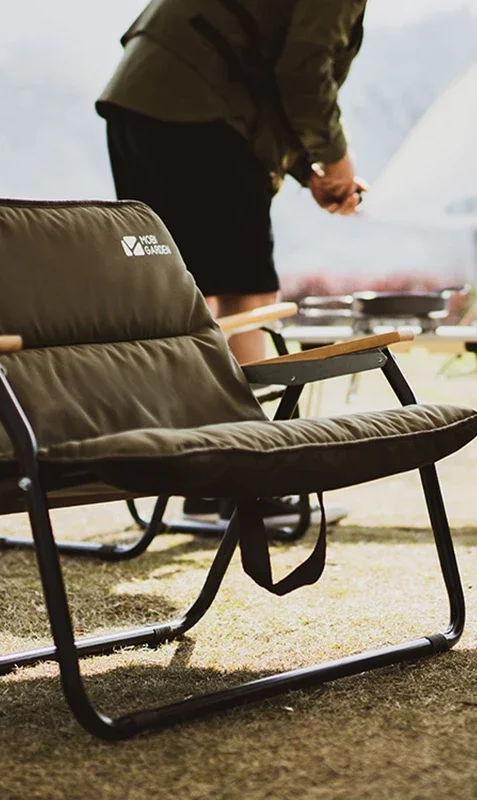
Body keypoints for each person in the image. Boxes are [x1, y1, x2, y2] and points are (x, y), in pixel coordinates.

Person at [96, 0, 366, 525]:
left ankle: (203, 481)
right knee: (247, 292)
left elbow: (257, 55)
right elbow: (303, 70)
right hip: (202, 111)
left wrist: (307, 171)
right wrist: (336, 160)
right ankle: (248, 486)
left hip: (141, 97)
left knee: (182, 294)